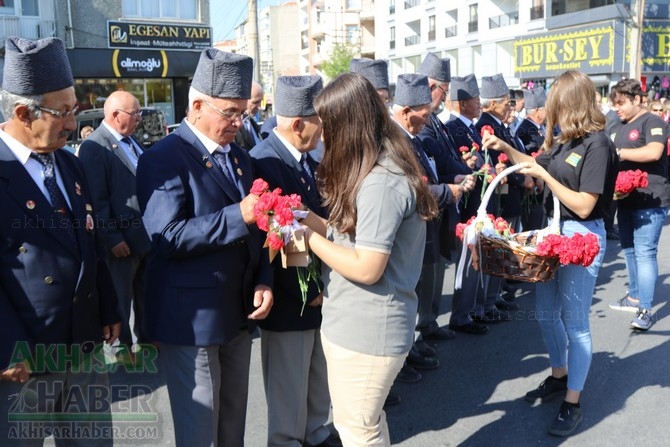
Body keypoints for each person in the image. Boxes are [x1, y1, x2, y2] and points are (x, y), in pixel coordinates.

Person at [136, 48, 274, 447]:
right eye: (230, 113)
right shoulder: (162, 158)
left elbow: (259, 229)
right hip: (191, 320)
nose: (238, 122)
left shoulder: (242, 158)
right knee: (201, 431)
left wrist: (264, 279)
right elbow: (167, 236)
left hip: (239, 310)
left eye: (244, 113)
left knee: (233, 422)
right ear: (197, 105)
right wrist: (238, 216)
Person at [300, 72, 438, 446]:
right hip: (362, 325)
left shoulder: (380, 181)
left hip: (367, 330)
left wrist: (310, 238)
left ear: (349, 123)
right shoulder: (381, 167)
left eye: (328, 125)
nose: (323, 134)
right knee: (368, 424)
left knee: (357, 431)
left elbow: (367, 266)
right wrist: (306, 218)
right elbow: (350, 236)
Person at [0, 36, 121, 445]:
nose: (73, 123)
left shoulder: (70, 162)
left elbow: (90, 240)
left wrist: (108, 305)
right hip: (25, 355)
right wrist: (7, 346)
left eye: (75, 110)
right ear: (22, 112)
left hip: (83, 343)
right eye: (62, 112)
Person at [483, 70, 617, 437]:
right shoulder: (563, 143)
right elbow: (535, 165)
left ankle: (572, 401)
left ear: (570, 104)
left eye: (556, 103)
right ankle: (560, 375)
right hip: (554, 234)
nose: (550, 111)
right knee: (545, 314)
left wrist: (549, 180)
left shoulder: (597, 144)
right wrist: (505, 148)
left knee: (575, 324)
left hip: (581, 237)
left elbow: (585, 205)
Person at [250, 75, 340, 447]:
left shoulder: (303, 160)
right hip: (291, 295)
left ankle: (317, 434)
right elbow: (275, 237)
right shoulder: (264, 162)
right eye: (320, 121)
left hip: (314, 292)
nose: (325, 130)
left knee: (316, 378)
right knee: (290, 387)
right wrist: (310, 287)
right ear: (298, 123)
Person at [77, 91, 151, 362]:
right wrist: (111, 237)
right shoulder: (95, 146)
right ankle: (124, 349)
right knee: (120, 297)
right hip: (120, 240)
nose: (139, 120)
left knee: (146, 293)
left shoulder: (131, 142)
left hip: (143, 237)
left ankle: (147, 340)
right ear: (115, 114)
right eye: (135, 114)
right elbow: (96, 200)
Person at [607, 79, 670, 331]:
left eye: (622, 103)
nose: (617, 108)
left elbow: (654, 152)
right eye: (615, 103)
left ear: (637, 99)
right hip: (624, 199)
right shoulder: (618, 126)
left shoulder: (653, 122)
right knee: (630, 251)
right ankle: (634, 297)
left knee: (645, 254)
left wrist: (619, 153)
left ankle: (645, 309)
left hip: (650, 198)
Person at [234, 80, 264, 150]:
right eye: (256, 102)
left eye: (260, 102)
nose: (259, 107)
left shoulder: (252, 123)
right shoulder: (233, 128)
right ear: (243, 100)